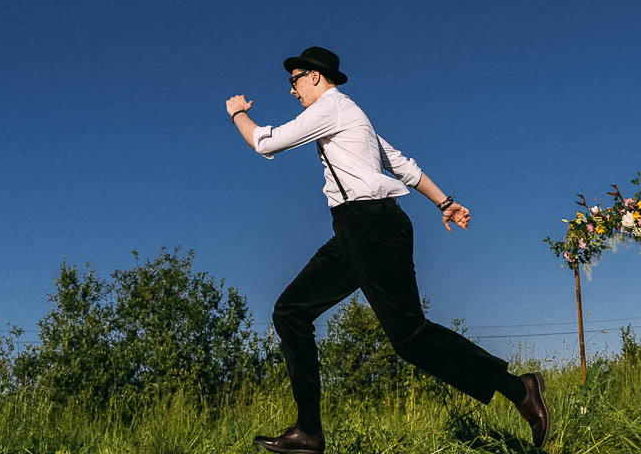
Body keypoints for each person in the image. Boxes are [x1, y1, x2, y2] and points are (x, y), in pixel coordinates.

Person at [226, 46, 548, 454]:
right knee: (290, 311)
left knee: (410, 336)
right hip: (351, 231)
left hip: (373, 226)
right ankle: (308, 431)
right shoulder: (351, 119)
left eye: (294, 81)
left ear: (315, 76)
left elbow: (264, 142)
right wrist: (445, 203)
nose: (292, 91)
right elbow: (400, 164)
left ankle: (519, 388)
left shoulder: (331, 107)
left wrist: (238, 112)